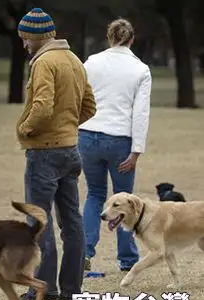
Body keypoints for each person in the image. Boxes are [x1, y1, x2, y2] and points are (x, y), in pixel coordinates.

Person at [15, 8, 97, 300]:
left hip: (44, 152)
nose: (24, 44)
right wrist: (68, 127)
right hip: (70, 150)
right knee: (72, 221)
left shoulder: (44, 62)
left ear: (36, 37)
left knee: (39, 219)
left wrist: (25, 129)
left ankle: (44, 288)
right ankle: (72, 289)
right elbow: (89, 106)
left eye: (25, 38)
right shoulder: (73, 60)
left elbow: (43, 105)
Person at [79, 18, 151, 272]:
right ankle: (128, 259)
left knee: (95, 194)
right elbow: (140, 113)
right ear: (131, 39)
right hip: (120, 139)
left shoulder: (91, 62)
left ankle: (84, 252)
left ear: (109, 37)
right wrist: (136, 150)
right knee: (126, 203)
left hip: (87, 135)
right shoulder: (140, 69)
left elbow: (80, 97)